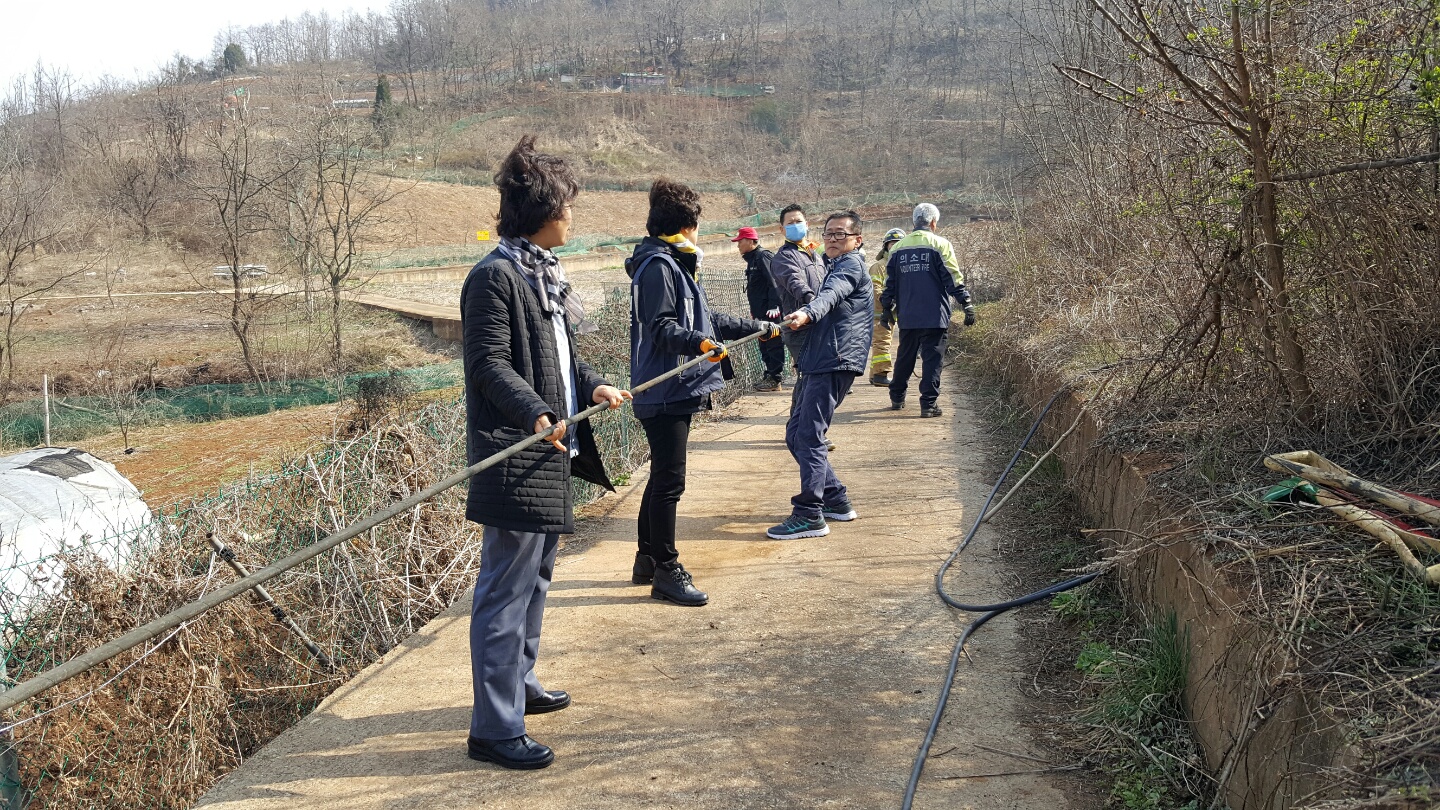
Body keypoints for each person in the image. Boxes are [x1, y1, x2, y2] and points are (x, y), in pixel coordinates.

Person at [460, 136, 631, 770]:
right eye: (567, 206)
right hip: (517, 454)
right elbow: (489, 365)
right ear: (542, 211)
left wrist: (593, 385)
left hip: (549, 452)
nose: (572, 217)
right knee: (504, 593)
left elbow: (559, 360)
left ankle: (520, 684)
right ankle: (494, 728)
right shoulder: (495, 277)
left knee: (535, 580)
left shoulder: (540, 274)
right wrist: (535, 412)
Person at [628, 179, 781, 605]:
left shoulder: (673, 264)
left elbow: (705, 317)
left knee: (661, 477)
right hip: (665, 388)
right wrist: (698, 344)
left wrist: (757, 327)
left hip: (672, 387)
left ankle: (646, 559)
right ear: (686, 226)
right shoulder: (659, 266)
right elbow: (662, 327)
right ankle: (666, 569)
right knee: (670, 483)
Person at [767, 210, 873, 540]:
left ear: (857, 240)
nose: (832, 239)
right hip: (819, 358)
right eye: (828, 233)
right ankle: (835, 499)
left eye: (841, 234)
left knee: (810, 435)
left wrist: (808, 312)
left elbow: (830, 295)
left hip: (834, 359)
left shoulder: (850, 265)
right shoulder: (831, 264)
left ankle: (809, 514)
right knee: (796, 433)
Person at [880, 203, 976, 418]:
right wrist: (966, 303)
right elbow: (952, 277)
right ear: (933, 222)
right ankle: (928, 405)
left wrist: (887, 307)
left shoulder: (898, 248)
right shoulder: (940, 244)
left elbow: (890, 283)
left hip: (908, 314)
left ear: (914, 222)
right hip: (934, 314)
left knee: (905, 356)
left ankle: (897, 397)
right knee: (932, 360)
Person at [767, 204, 825, 387]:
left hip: (820, 323)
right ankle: (800, 407)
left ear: (807, 224)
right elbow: (795, 283)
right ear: (781, 229)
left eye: (798, 221)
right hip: (800, 328)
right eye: (790, 223)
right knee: (809, 379)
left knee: (819, 378)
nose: (795, 225)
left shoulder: (815, 255)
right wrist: (814, 301)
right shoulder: (783, 257)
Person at [735, 225, 785, 391]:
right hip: (760, 311)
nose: (738, 245)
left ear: (750, 241)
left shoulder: (763, 256)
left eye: (740, 241)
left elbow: (774, 281)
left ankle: (775, 378)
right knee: (764, 344)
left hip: (770, 311)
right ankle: (769, 375)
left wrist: (774, 304)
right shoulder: (753, 260)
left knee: (773, 343)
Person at [867, 228, 906, 387]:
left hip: (891, 312)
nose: (895, 247)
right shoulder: (879, 266)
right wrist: (889, 302)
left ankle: (874, 374)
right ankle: (881, 374)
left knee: (882, 342)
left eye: (899, 243)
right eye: (892, 244)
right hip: (880, 312)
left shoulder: (901, 265)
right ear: (885, 246)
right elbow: (875, 289)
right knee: (882, 343)